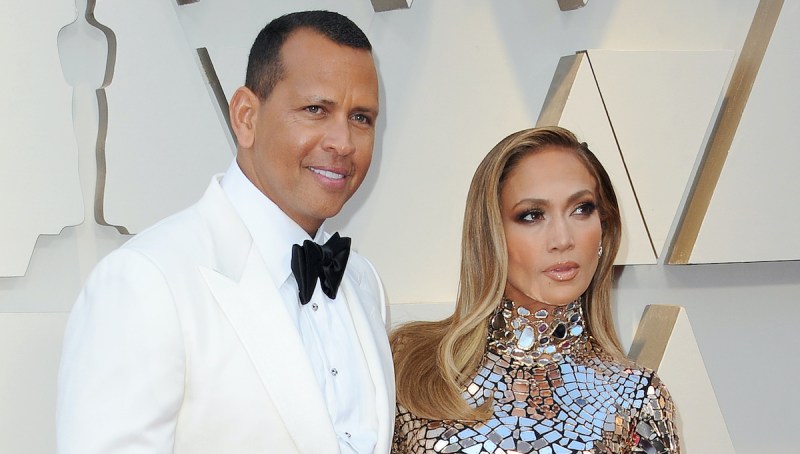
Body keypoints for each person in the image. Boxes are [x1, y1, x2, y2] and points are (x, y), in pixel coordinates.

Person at [57, 10, 394, 454]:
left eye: (361, 118)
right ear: (246, 116)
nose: (343, 142)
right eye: (316, 109)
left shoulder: (364, 283)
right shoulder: (146, 281)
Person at [391, 126, 679, 453]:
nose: (562, 239)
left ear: (604, 228)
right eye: (532, 215)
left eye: (581, 209)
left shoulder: (637, 397)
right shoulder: (411, 364)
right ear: (491, 235)